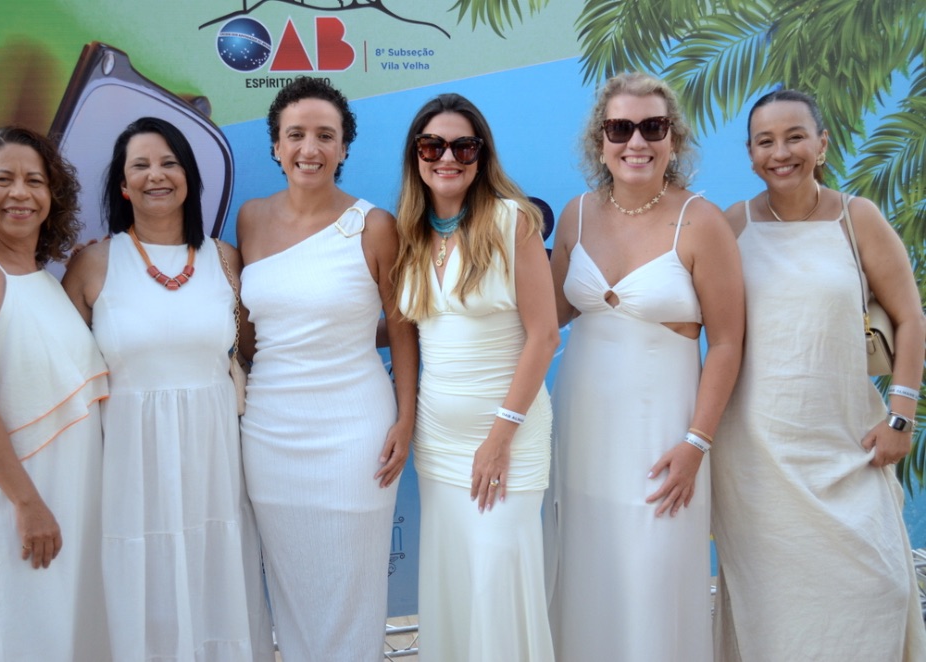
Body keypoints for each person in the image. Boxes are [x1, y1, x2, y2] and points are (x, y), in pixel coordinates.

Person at [711, 89, 926, 661]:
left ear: (822, 144)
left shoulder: (858, 219)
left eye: (795, 137)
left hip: (847, 447)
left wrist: (901, 416)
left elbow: (910, 318)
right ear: (750, 155)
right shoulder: (733, 225)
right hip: (755, 462)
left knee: (876, 590)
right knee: (775, 615)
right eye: (765, 141)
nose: (781, 152)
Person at [544, 72, 744, 661]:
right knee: (589, 573)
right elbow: (548, 317)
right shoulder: (576, 214)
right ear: (599, 141)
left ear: (673, 139)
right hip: (584, 433)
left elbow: (727, 343)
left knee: (654, 582)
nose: (636, 142)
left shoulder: (701, 222)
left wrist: (696, 443)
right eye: (620, 128)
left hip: (665, 440)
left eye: (653, 127)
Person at [63, 117, 274, 661]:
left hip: (213, 461)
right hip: (128, 466)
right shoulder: (92, 264)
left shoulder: (226, 260)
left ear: (189, 178)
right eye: (140, 165)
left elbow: (256, 349)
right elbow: (61, 371)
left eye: (169, 163)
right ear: (122, 185)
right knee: (142, 587)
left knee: (214, 585)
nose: (155, 175)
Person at [235, 76, 418, 662]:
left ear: (343, 147)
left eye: (324, 135)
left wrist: (406, 419)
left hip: (354, 430)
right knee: (291, 586)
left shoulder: (374, 226)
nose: (308, 148)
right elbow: (248, 331)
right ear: (275, 145)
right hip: (269, 431)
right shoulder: (250, 220)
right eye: (295, 135)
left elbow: (403, 327)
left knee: (351, 587)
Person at [393, 92, 559, 661]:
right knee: (455, 585)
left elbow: (545, 336)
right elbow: (408, 332)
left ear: (481, 155)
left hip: (507, 441)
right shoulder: (411, 233)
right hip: (438, 445)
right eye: (432, 146)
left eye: (463, 146)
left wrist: (499, 436)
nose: (448, 158)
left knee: (496, 582)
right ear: (416, 155)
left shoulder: (513, 222)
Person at [0, 126, 109, 660]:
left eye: (35, 180)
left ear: (52, 195)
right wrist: (28, 504)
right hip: (17, 504)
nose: (19, 193)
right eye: (3, 179)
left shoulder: (48, 279)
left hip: (72, 497)